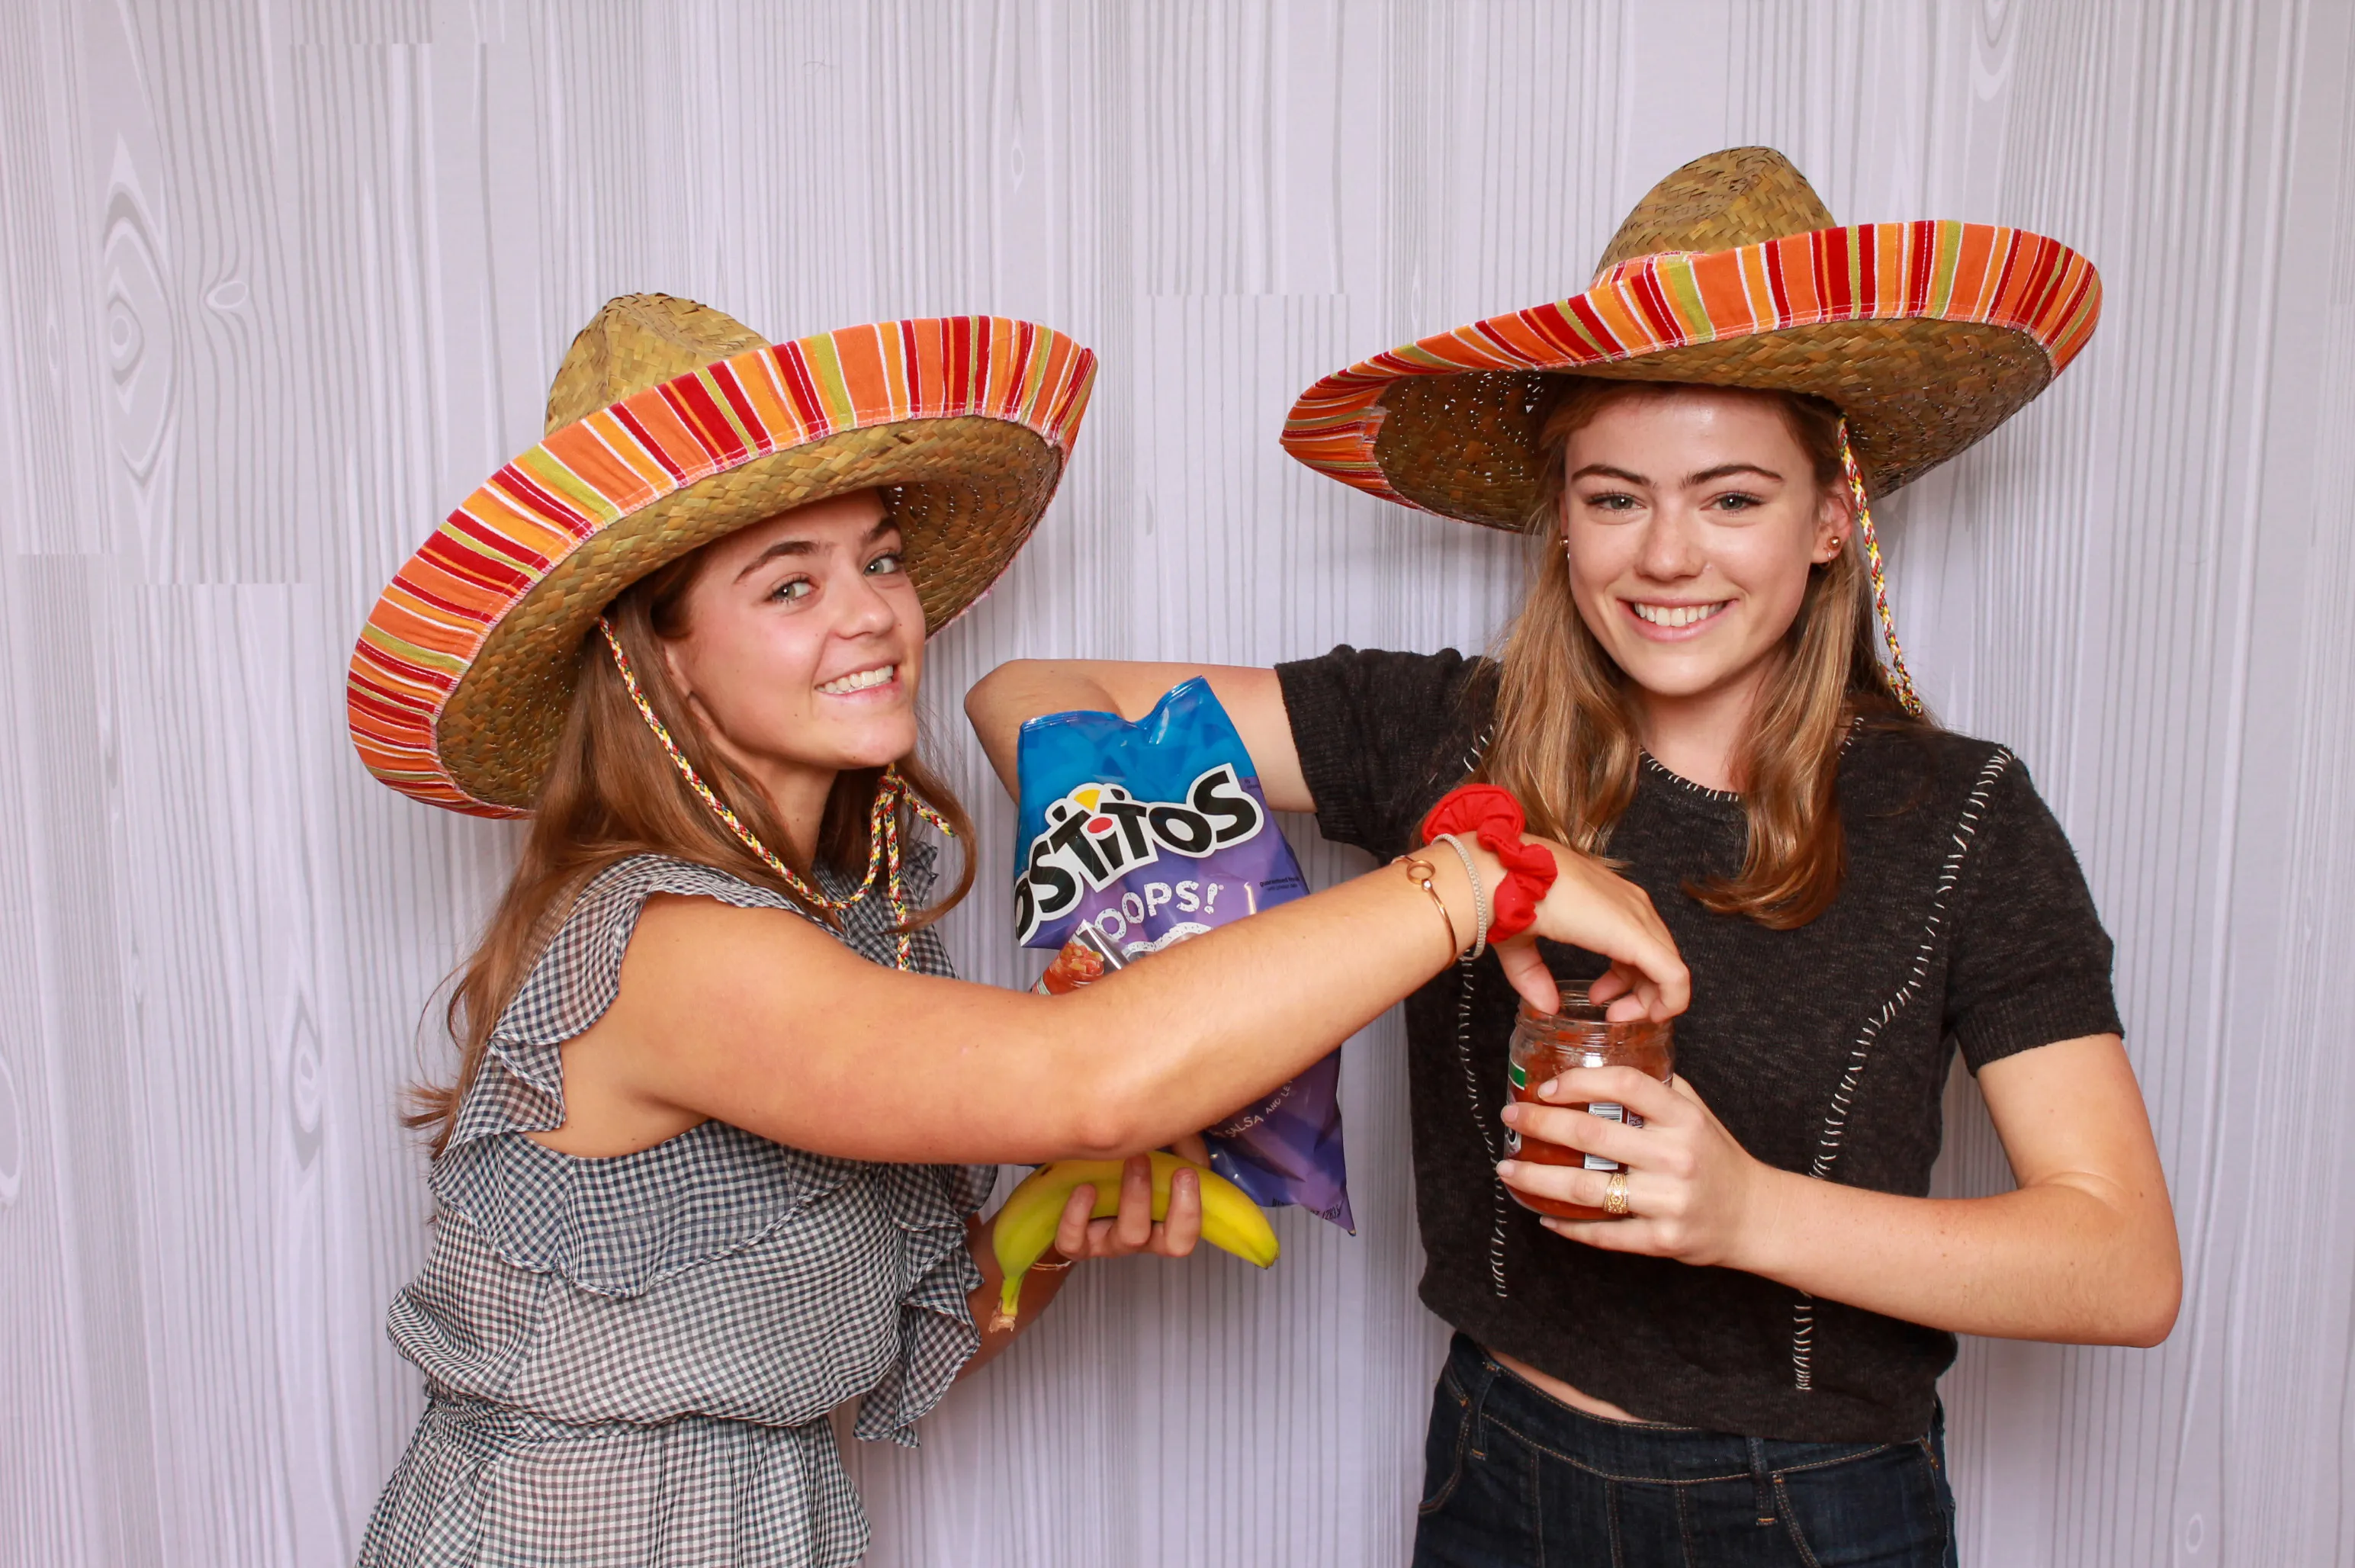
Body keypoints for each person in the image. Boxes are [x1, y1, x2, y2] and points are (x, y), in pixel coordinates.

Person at [967, 149, 2180, 1567]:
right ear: (1563, 517)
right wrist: (1158, 993)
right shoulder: (1451, 733)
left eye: (1732, 499)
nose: (1666, 556)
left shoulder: (1960, 815)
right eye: (1615, 498)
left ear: (1831, 517)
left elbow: (2120, 1264)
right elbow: (1028, 695)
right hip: (1494, 1467)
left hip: (1813, 1509)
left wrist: (1746, 1213)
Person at [345, 294, 1685, 1568]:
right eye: (789, 587)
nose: (873, 612)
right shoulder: (666, 940)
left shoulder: (852, 917)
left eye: (878, 560)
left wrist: (1052, 1215)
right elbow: (1089, 1074)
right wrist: (1468, 881)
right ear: (658, 659)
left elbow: (884, 1352)